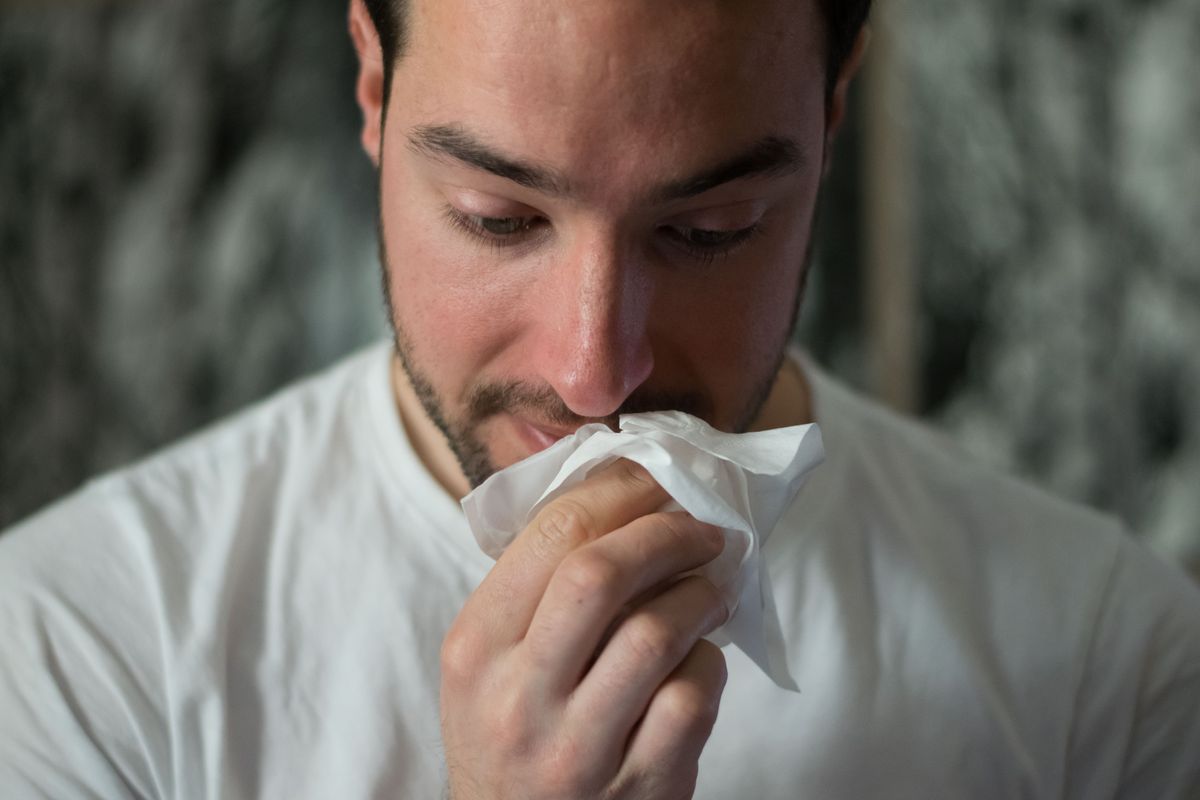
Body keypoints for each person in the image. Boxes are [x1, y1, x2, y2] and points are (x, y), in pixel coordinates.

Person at [2, 0, 1198, 796]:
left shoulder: (1107, 666)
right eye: (500, 219)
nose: (595, 372)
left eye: (708, 230)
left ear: (830, 115)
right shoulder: (81, 656)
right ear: (372, 84)